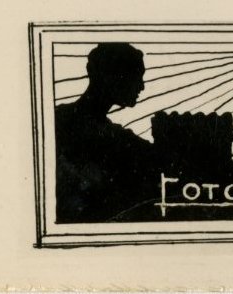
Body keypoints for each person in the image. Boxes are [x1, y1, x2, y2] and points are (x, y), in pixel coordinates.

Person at [53, 41, 160, 223]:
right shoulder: (60, 121)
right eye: (137, 77)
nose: (141, 87)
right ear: (113, 77)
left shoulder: (60, 117)